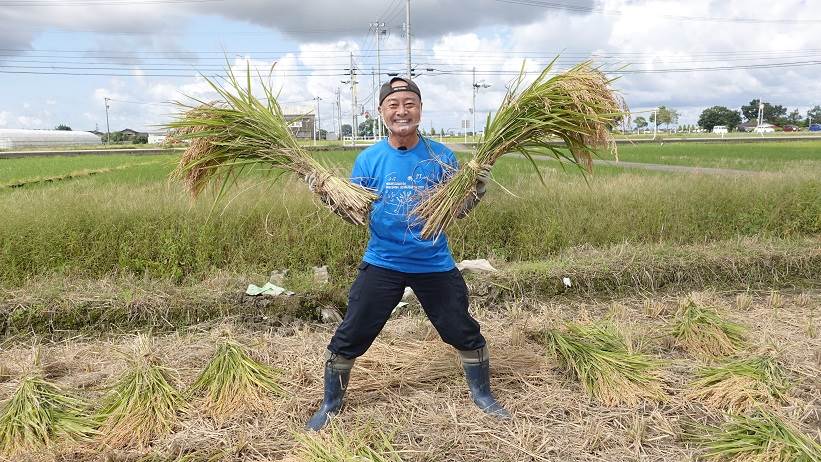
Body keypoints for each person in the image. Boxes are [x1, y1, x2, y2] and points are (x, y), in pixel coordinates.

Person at [305, 77, 509, 431]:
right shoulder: (369, 159)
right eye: (394, 105)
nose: (402, 111)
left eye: (409, 104)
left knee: (462, 329)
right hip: (383, 261)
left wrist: (477, 188)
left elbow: (457, 210)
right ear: (382, 112)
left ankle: (483, 395)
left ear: (420, 110)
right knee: (351, 333)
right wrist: (328, 195)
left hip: (433, 262)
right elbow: (356, 213)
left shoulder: (440, 156)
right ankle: (330, 404)